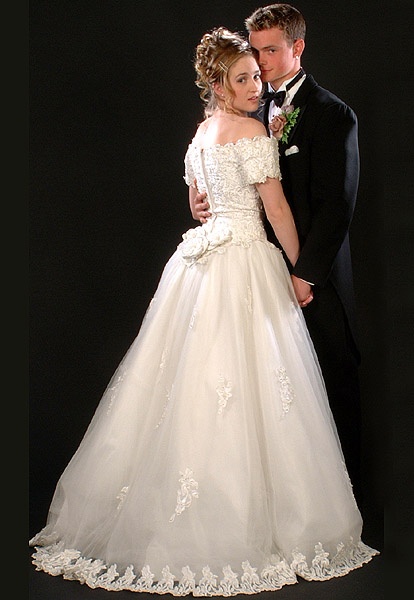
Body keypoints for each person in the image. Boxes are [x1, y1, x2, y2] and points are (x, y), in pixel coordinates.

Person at [30, 26, 377, 596]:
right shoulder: (251, 131)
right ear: (218, 84)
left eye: (256, 75)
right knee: (250, 381)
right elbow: (277, 211)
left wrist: (205, 205)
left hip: (201, 262)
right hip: (245, 259)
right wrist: (300, 272)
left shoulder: (201, 132)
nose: (256, 86)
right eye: (243, 79)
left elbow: (198, 198)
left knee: (191, 380)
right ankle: (249, 521)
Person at [192, 4, 364, 507]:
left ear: (297, 47)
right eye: (256, 51)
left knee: (326, 377)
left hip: (311, 271)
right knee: (253, 388)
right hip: (250, 269)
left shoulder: (331, 114)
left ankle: (341, 498)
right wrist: (201, 202)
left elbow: (337, 206)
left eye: (271, 50)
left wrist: (306, 273)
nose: (262, 63)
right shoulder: (246, 107)